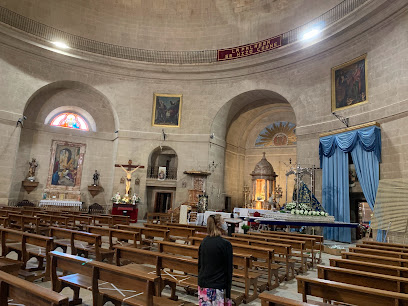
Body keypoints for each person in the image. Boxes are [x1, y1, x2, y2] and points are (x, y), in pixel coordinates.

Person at [198, 214, 233, 305]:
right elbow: (228, 270)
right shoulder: (225, 244)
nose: (224, 223)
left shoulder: (204, 242)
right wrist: (228, 293)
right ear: (218, 225)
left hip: (204, 285)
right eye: (223, 221)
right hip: (218, 286)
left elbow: (200, 265)